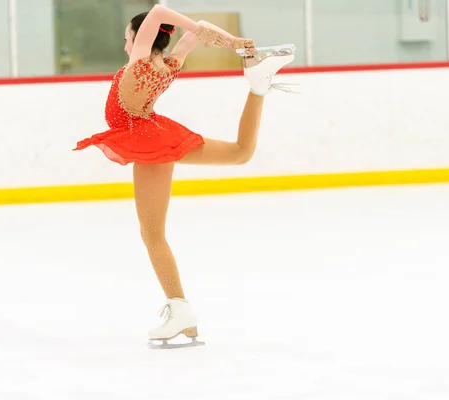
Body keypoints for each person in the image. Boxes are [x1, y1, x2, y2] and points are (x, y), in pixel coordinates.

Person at [73, 4, 295, 349]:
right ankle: (258, 86)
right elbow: (197, 29)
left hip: (146, 141)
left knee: (152, 234)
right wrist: (229, 40)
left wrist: (205, 32)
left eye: (127, 37)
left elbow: (160, 10)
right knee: (240, 153)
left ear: (140, 37)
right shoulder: (170, 63)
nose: (126, 44)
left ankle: (180, 310)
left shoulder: (141, 61)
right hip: (157, 132)